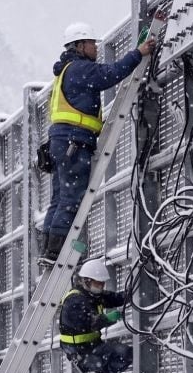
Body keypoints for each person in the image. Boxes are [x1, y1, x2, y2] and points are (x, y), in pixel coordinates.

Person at [40, 22, 157, 265]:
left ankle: (49, 249)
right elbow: (110, 75)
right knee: (71, 199)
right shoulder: (80, 69)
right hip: (75, 142)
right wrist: (139, 53)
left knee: (59, 198)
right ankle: (57, 251)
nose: (96, 48)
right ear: (80, 46)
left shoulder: (64, 72)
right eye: (92, 43)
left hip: (61, 143)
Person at [58, 259, 132, 373]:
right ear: (86, 281)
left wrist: (133, 291)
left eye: (102, 283)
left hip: (91, 348)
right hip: (81, 354)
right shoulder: (75, 300)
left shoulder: (93, 295)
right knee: (124, 353)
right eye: (98, 283)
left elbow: (115, 298)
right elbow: (88, 322)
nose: (101, 286)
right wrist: (107, 318)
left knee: (119, 355)